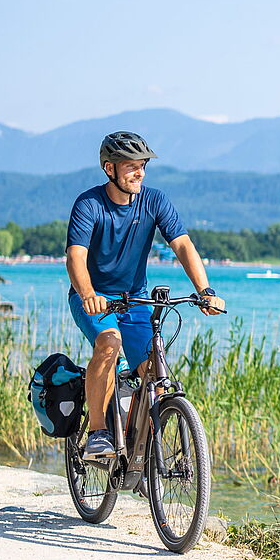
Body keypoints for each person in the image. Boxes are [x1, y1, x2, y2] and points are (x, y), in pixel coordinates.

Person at [66, 131, 225, 462]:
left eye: (142, 166)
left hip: (135, 300)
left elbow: (181, 243)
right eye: (131, 167)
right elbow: (75, 257)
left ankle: (138, 448)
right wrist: (88, 294)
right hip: (95, 299)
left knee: (156, 369)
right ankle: (98, 432)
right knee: (109, 343)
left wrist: (204, 290)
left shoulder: (155, 201)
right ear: (109, 169)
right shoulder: (89, 204)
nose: (139, 173)